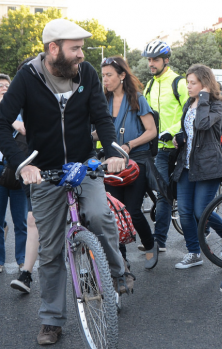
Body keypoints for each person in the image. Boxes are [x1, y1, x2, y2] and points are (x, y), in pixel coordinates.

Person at [0, 19, 127, 344]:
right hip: (43, 172)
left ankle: (117, 271)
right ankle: (52, 321)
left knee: (99, 214)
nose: (82, 54)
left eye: (81, 48)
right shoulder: (27, 78)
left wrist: (113, 151)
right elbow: (2, 123)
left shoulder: (87, 74)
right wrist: (21, 165)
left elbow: (101, 117)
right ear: (53, 49)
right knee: (52, 249)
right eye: (76, 48)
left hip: (84, 165)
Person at [96, 56, 159, 269]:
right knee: (114, 213)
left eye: (109, 75)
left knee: (132, 212)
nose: (105, 79)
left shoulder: (137, 99)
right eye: (103, 75)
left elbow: (151, 131)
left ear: (122, 76)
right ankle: (121, 260)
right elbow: (97, 133)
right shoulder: (100, 101)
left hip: (136, 161)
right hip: (111, 162)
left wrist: (129, 145)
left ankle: (150, 245)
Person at [171, 64, 222, 269]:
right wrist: (180, 137)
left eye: (193, 83)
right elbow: (189, 130)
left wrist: (204, 97)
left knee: (200, 211)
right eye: (188, 83)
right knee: (185, 211)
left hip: (209, 165)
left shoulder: (216, 104)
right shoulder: (189, 103)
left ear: (204, 84)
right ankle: (194, 253)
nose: (188, 87)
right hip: (187, 165)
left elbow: (202, 125)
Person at [142, 39, 189, 253]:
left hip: (180, 148)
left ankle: (209, 226)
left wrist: (173, 129)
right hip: (160, 149)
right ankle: (159, 241)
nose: (151, 63)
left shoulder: (178, 82)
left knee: (186, 198)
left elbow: (189, 112)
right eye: (149, 60)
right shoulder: (150, 86)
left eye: (155, 60)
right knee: (163, 192)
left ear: (166, 60)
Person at [10, 56, 39, 294]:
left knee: (82, 217)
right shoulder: (17, 105)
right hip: (33, 168)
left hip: (67, 164)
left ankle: (93, 269)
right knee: (32, 220)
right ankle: (27, 274)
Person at [0, 73, 28, 275]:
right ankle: (0, 261)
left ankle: (22, 261)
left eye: (6, 85)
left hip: (19, 169)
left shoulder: (20, 109)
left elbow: (24, 129)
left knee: (22, 221)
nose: (3, 88)